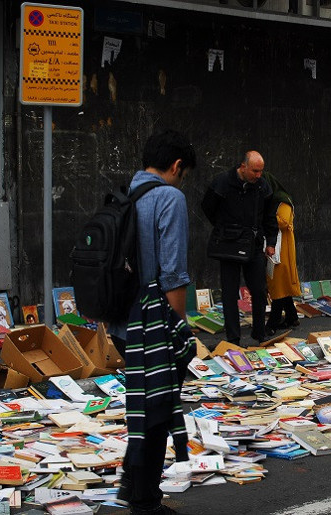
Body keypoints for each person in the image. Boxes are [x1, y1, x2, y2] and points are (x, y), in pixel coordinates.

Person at [111, 129, 197, 515]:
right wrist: (179, 332)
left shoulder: (126, 195)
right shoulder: (169, 198)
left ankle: (133, 483)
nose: (182, 180)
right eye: (184, 173)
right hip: (154, 327)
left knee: (145, 406)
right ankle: (145, 503)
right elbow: (174, 275)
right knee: (158, 414)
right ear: (177, 166)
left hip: (121, 325)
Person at [202, 151, 278, 345]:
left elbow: (270, 215)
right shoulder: (223, 181)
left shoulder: (262, 186)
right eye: (255, 171)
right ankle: (233, 337)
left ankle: (259, 333)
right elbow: (208, 206)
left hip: (253, 243)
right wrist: (224, 227)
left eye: (261, 171)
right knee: (229, 292)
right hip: (229, 243)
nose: (258, 175)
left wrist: (270, 242)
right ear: (243, 166)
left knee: (259, 290)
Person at [262, 171, 301, 334]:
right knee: (280, 282)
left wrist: (265, 218)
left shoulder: (282, 200)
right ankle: (292, 316)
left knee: (279, 283)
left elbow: (284, 222)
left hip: (281, 248)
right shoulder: (270, 201)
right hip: (273, 244)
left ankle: (273, 321)